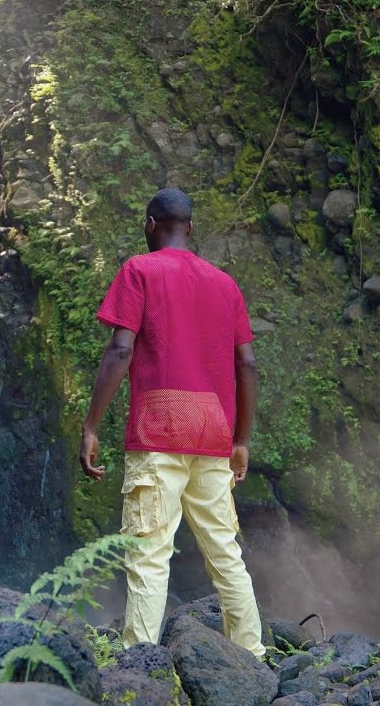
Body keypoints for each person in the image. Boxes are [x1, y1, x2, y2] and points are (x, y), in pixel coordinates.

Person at [79, 187, 265, 657]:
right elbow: (248, 364)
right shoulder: (225, 284)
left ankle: (140, 665)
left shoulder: (139, 270)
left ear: (149, 224)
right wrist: (241, 440)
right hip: (213, 427)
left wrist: (91, 426)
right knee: (225, 551)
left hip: (158, 427)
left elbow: (121, 349)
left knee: (149, 554)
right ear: (190, 227)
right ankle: (252, 656)